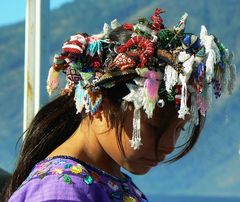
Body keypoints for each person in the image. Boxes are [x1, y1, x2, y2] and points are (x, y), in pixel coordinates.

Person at [3, 8, 236, 202]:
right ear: (100, 103)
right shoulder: (61, 192)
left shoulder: (105, 181)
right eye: (154, 126)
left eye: (179, 129)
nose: (168, 145)